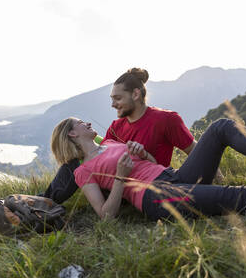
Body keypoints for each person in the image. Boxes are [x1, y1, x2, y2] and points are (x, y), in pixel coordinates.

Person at [50, 116, 246, 220]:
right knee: (238, 196)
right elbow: (106, 216)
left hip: (172, 176)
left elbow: (154, 166)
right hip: (155, 198)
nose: (87, 123)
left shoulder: (111, 142)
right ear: (71, 134)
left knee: (220, 127)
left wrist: (144, 153)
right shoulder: (83, 171)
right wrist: (121, 179)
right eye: (80, 123)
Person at [42, 68, 198, 203]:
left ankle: (40, 203)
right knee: (75, 163)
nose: (113, 105)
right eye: (112, 99)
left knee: (76, 163)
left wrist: (216, 178)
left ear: (136, 94)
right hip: (118, 190)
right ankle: (41, 203)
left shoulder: (166, 119)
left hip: (154, 184)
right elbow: (99, 157)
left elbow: (195, 151)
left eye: (117, 98)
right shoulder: (116, 127)